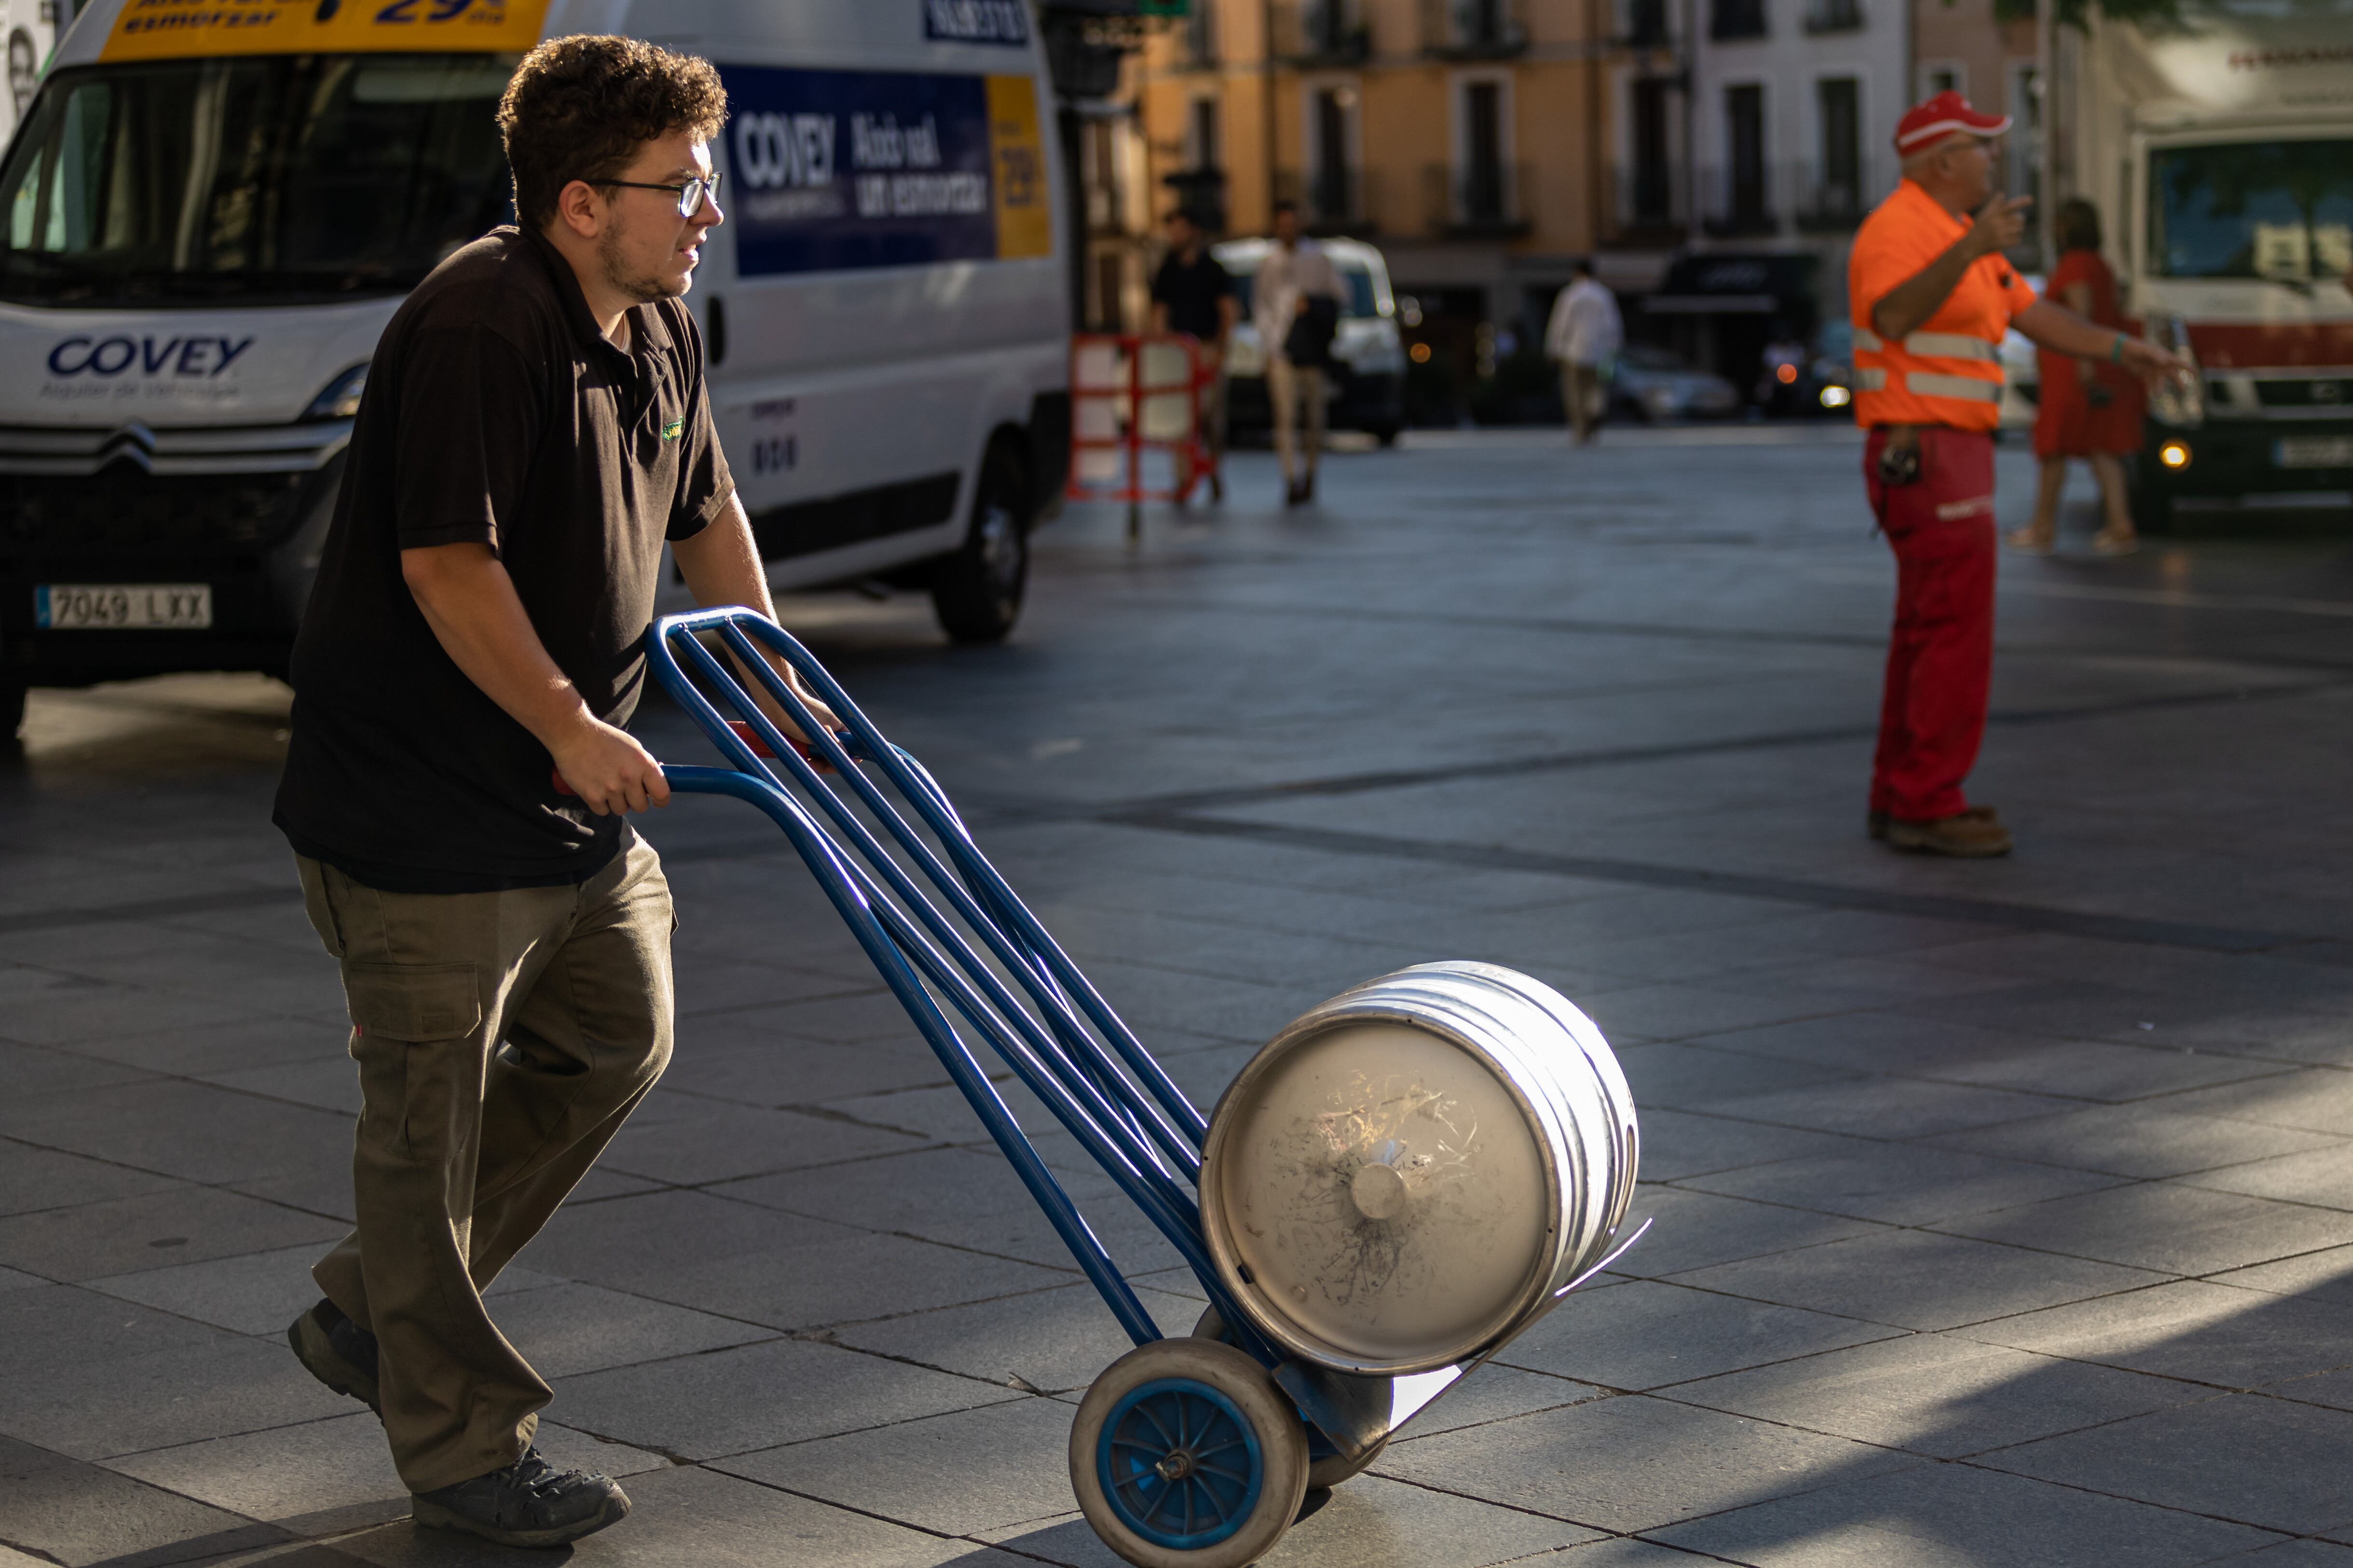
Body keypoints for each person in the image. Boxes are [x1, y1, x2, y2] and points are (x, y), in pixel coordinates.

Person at [271, 36, 838, 1548]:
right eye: (683, 186)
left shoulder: (657, 324)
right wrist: (573, 721)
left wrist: (772, 672)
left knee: (618, 1034)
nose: (707, 210)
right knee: (425, 1124)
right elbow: (444, 562)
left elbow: (707, 516)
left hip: (570, 803)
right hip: (421, 806)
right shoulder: (479, 323)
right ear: (582, 202)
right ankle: (460, 1447)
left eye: (705, 181)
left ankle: (373, 1317)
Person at [1850, 91, 2184, 858]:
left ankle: (1900, 792)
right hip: (1926, 450)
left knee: (1925, 629)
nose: (1993, 159)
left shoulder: (1956, 234)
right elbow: (1892, 318)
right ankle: (1928, 802)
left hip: (1937, 452)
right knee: (1951, 633)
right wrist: (1969, 252)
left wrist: (2117, 349)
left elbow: (2030, 314)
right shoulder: (1900, 231)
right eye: (1981, 146)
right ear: (1941, 161)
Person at [2008, 198, 2146, 556]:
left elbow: (2080, 315)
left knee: (2054, 447)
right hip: (2096, 369)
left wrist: (2085, 363)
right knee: (2102, 447)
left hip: (2073, 375)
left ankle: (2043, 527)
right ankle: (2120, 523)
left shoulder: (2075, 266)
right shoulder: (2100, 265)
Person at [1255, 200, 1343, 505]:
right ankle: (1291, 477)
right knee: (1286, 419)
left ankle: (1311, 472)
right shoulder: (1269, 263)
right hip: (1281, 351)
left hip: (1312, 351)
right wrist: (1269, 343)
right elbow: (1262, 306)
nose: (1287, 229)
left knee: (1315, 419)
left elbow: (1341, 295)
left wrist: (1314, 305)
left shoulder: (1318, 259)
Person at [1149, 207, 1237, 504]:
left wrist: (1221, 350)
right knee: (1179, 420)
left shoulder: (1213, 268)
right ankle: (1183, 480)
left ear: (1194, 231)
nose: (1174, 235)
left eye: (1180, 228)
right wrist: (1161, 348)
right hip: (1178, 353)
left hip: (1206, 347)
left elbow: (1228, 311)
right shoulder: (1167, 268)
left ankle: (1212, 471)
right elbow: (1159, 311)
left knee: (1211, 419)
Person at [1544, 259, 1623, 443]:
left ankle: (1580, 429)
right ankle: (1595, 413)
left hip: (1573, 351)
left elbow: (1560, 324)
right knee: (1596, 388)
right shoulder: (1604, 294)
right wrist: (1615, 347)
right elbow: (1613, 325)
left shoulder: (1570, 294)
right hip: (1600, 352)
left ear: (1576, 273)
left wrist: (1552, 348)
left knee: (1574, 392)